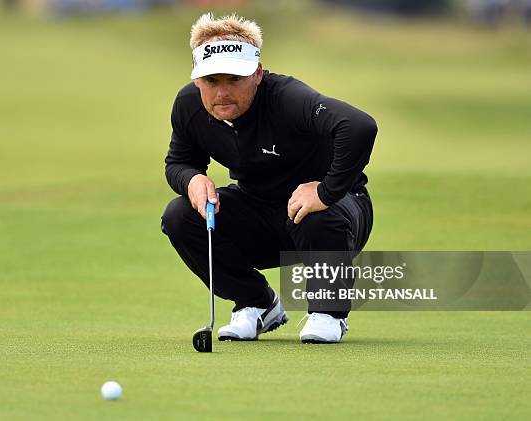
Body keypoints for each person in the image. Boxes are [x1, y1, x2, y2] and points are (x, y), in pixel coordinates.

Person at [161, 13, 377, 344]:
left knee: (318, 216)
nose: (222, 92)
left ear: (258, 74)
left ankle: (328, 314)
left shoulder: (287, 98)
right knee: (180, 216)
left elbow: (358, 126)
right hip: (259, 213)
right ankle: (257, 303)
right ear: (196, 81)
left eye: (234, 79)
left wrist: (326, 191)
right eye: (212, 81)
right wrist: (191, 180)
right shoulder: (189, 106)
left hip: (337, 214)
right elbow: (179, 161)